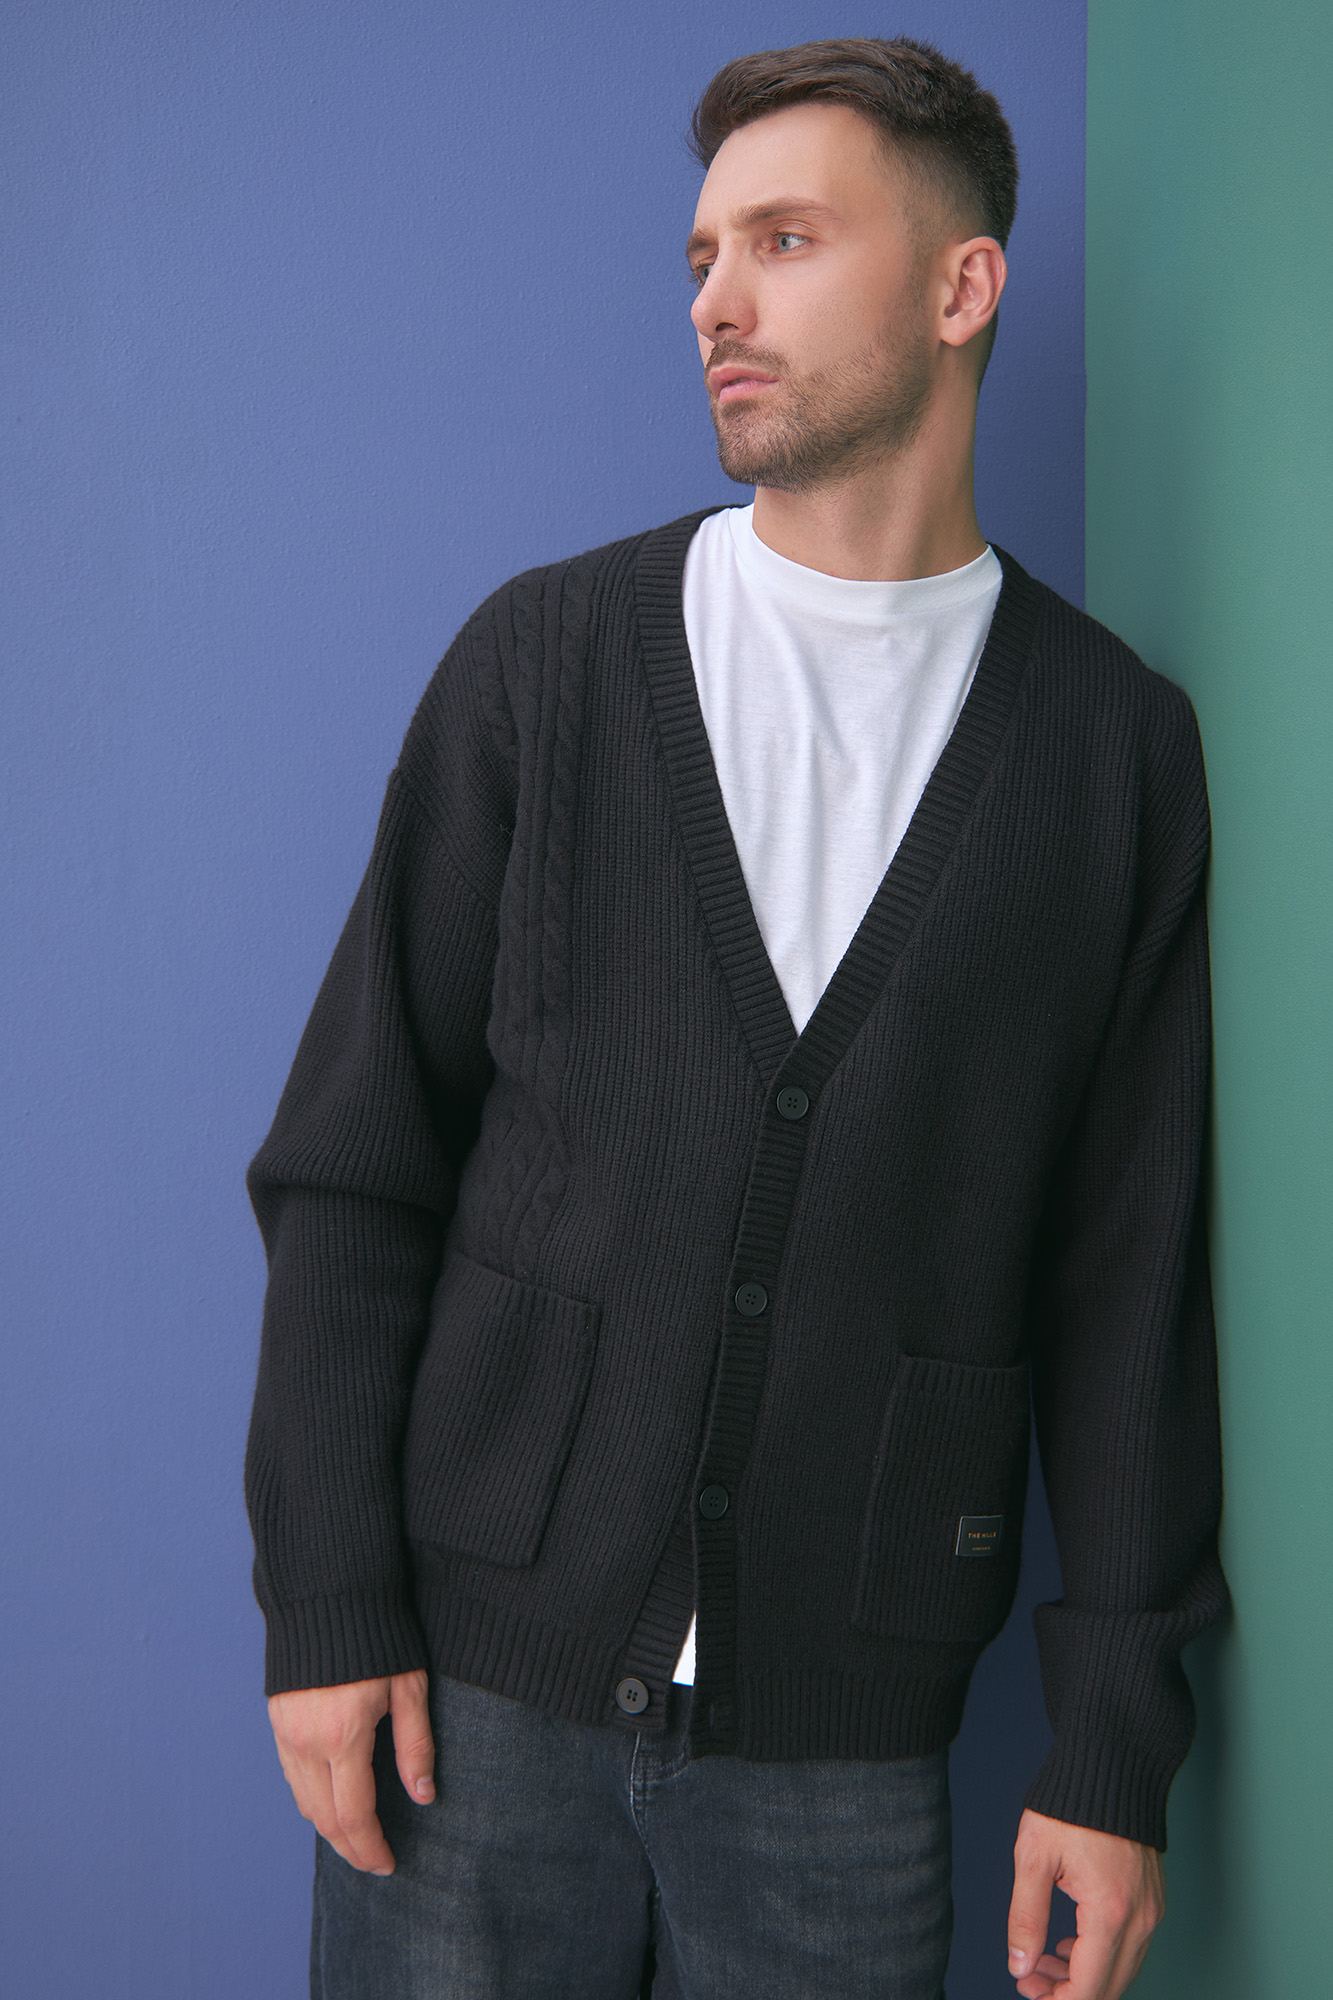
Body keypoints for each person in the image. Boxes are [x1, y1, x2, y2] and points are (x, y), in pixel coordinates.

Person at [246, 36, 1226, 2000]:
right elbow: (356, 1165)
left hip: (840, 1743)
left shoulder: (1109, 751)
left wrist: (1114, 1743)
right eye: (702, 253)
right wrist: (327, 1603)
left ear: (959, 288)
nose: (715, 299)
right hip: (465, 1705)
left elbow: (1128, 1283)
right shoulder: (546, 666)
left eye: (784, 240)